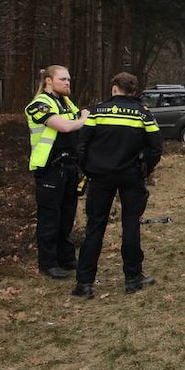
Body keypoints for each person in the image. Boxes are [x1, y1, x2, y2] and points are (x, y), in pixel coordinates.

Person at [72, 72, 164, 299]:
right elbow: (156, 147)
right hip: (131, 177)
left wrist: (89, 169)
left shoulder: (97, 111)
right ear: (133, 91)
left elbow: (82, 145)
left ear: (114, 88)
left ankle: (84, 284)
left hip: (100, 177)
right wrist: (145, 170)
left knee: (95, 227)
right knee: (131, 225)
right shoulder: (143, 114)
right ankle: (133, 278)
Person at [25, 65, 89, 279]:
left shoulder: (66, 102)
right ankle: (48, 263)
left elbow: (77, 122)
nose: (67, 83)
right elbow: (63, 126)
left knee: (67, 215)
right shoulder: (38, 104)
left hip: (70, 166)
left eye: (69, 79)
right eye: (63, 79)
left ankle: (66, 257)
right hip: (49, 168)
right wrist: (83, 119)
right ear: (48, 81)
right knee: (50, 217)